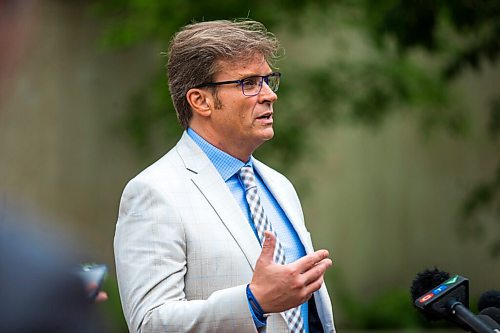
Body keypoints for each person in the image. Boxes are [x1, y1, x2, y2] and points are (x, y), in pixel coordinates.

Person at [114, 19, 336, 333]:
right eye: (248, 83)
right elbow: (150, 323)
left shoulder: (279, 186)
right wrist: (253, 302)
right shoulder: (154, 192)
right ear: (200, 100)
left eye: (267, 80)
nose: (269, 95)